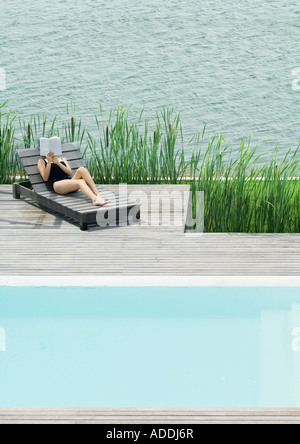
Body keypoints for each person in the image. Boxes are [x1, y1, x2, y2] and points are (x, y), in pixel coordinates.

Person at [38, 152, 110, 206]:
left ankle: (98, 195)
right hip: (58, 184)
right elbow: (45, 178)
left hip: (69, 182)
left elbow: (69, 173)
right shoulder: (42, 161)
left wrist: (58, 163)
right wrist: (49, 162)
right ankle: (94, 199)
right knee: (80, 181)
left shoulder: (62, 159)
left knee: (81, 169)